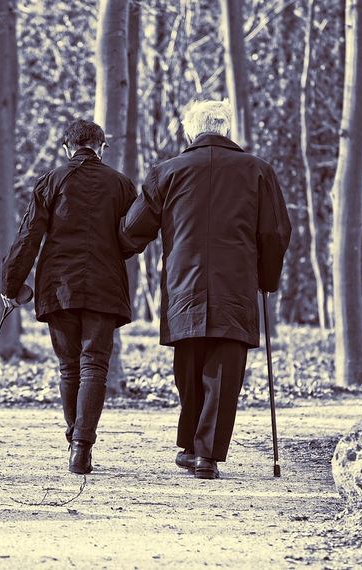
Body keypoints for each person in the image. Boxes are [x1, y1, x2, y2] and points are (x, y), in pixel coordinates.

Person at [119, 100, 291, 479]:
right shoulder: (258, 172)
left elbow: (133, 230)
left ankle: (192, 447)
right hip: (236, 285)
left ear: (190, 131)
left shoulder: (166, 172)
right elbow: (275, 232)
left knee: (189, 366)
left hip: (185, 284)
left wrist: (118, 247)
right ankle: (204, 455)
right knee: (225, 371)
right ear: (226, 128)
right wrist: (267, 279)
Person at [1, 119, 137, 475]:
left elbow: (29, 236)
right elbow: (132, 236)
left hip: (59, 284)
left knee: (69, 366)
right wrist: (114, 248)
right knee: (95, 364)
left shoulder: (51, 181)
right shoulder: (121, 184)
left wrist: (11, 285)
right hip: (105, 284)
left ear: (67, 148)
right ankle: (82, 448)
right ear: (101, 147)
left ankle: (74, 439)